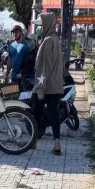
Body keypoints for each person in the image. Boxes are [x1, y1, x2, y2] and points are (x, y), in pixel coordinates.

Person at [31, 13, 64, 155]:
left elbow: (44, 66)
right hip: (56, 85)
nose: (39, 27)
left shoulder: (46, 42)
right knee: (53, 113)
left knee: (35, 111)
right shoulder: (56, 40)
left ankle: (33, 141)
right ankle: (57, 143)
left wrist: (40, 89)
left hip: (46, 85)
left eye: (41, 25)